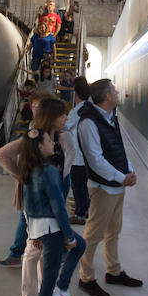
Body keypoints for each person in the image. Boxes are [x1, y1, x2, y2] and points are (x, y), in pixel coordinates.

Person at [0, 98, 74, 296]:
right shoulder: (33, 137)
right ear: (51, 117)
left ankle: (44, 289)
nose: (66, 118)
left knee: (48, 250)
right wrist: (23, 177)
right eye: (62, 115)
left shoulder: (64, 136)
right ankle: (29, 295)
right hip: (35, 202)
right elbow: (2, 154)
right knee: (33, 249)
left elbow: (68, 161)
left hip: (54, 196)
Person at [76, 79, 143, 296]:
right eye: (114, 90)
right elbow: (95, 160)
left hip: (116, 186)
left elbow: (118, 150)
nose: (117, 93)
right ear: (106, 96)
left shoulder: (109, 118)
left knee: (113, 232)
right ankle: (85, 278)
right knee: (93, 235)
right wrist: (121, 178)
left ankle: (113, 272)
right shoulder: (88, 123)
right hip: (103, 188)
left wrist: (129, 171)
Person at [17, 128, 86, 296]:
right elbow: (58, 207)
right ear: (39, 146)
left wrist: (32, 233)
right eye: (48, 140)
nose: (53, 144)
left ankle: (61, 289)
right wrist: (68, 235)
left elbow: (26, 207)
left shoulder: (29, 169)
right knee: (49, 274)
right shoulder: (48, 171)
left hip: (39, 228)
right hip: (52, 228)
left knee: (79, 246)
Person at [0, 90, 58, 268]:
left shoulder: (53, 131)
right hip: (35, 186)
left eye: (40, 106)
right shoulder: (35, 132)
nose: (35, 109)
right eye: (34, 106)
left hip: (50, 186)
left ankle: (49, 252)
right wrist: (22, 177)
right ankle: (18, 253)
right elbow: (2, 155)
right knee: (28, 218)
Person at [65, 77, 91, 225]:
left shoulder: (77, 111)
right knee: (84, 187)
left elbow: (65, 127)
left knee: (77, 187)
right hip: (88, 155)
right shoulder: (91, 108)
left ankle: (80, 215)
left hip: (78, 157)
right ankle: (84, 212)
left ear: (76, 94)